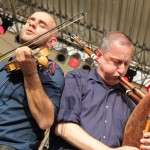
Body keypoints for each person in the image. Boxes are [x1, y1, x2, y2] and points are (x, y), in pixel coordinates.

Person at [50, 31, 150, 150]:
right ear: (99, 55)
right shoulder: (77, 79)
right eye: (117, 62)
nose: (122, 70)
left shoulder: (130, 102)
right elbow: (63, 128)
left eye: (126, 64)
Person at [0, 12, 64, 150]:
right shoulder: (3, 66)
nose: (32, 23)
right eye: (30, 20)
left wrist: (29, 72)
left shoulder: (50, 70)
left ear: (51, 42)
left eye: (42, 25)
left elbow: (46, 120)